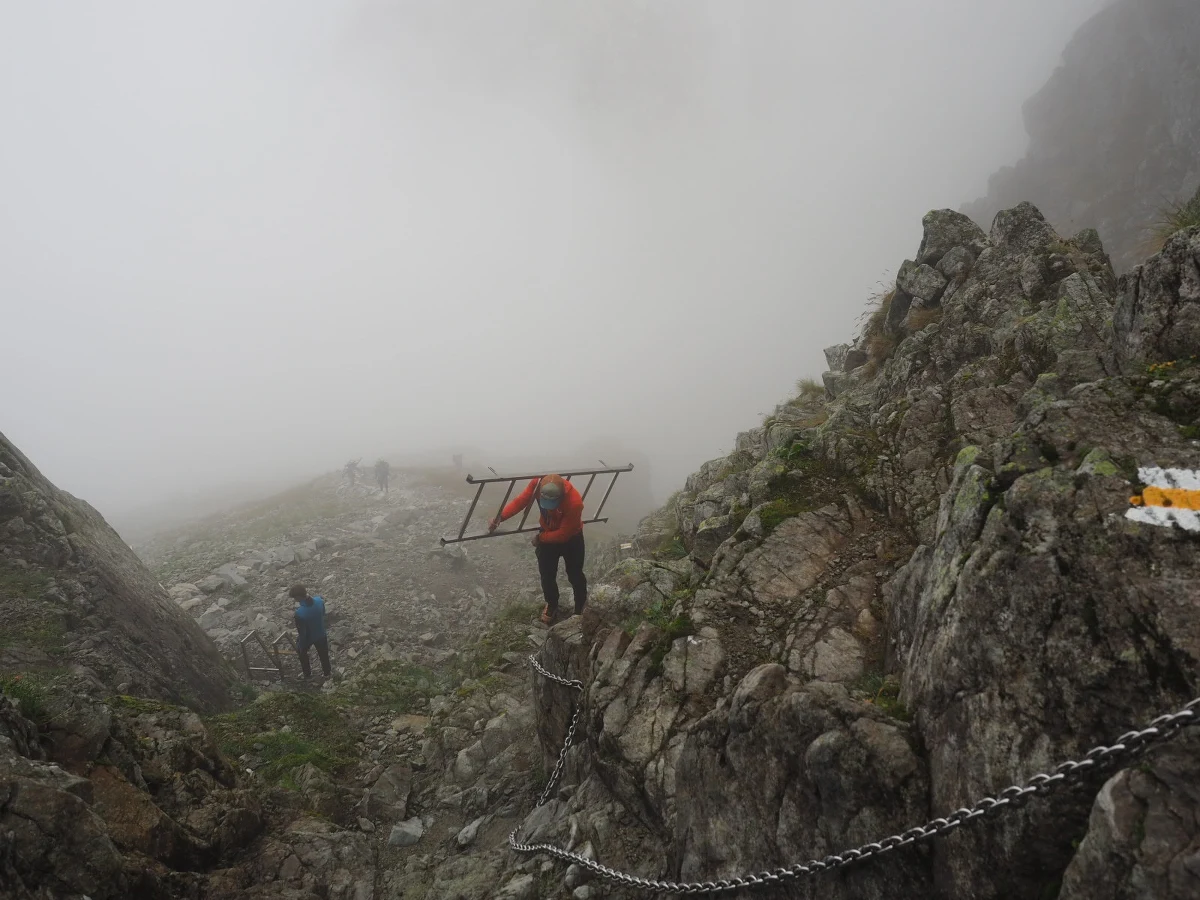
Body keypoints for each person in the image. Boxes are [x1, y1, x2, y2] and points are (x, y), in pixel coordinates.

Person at [488, 474, 586, 625]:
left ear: (561, 496)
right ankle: (552, 604)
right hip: (547, 531)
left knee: (575, 574)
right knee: (547, 573)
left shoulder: (574, 502)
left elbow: (563, 534)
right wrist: (500, 517)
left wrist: (540, 539)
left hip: (571, 538)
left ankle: (580, 608)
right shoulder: (536, 484)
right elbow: (521, 501)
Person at [290, 584, 331, 679]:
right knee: (324, 655)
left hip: (309, 637)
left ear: (299, 597)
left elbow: (302, 632)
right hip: (321, 633)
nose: (294, 600)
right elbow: (323, 614)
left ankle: (307, 674)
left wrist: (301, 644)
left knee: (302, 652)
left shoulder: (300, 613)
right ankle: (327, 673)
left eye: (294, 598)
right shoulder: (319, 601)